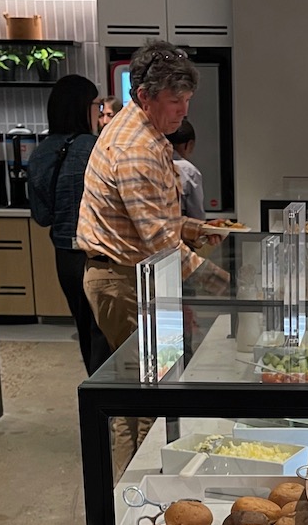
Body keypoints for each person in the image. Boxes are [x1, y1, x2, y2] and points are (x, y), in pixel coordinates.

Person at [77, 39, 226, 468]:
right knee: (146, 402)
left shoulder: (148, 133)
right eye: (175, 101)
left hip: (138, 276)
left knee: (138, 397)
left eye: (187, 100)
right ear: (143, 95)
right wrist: (228, 286)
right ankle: (135, 506)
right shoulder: (137, 147)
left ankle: (134, 495)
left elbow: (153, 219)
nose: (184, 111)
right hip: (124, 280)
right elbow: (160, 242)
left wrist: (196, 227)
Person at [29, 74, 111, 374]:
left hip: (65, 257)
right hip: (99, 255)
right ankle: (109, 409)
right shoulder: (96, 148)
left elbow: (41, 216)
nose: (100, 112)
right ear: (82, 107)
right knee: (105, 337)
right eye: (97, 104)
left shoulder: (39, 153)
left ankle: (94, 405)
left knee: (86, 335)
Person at [168, 119, 206, 220]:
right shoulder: (189, 171)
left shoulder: (155, 162)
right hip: (181, 228)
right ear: (189, 144)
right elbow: (196, 213)